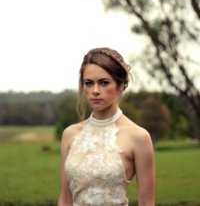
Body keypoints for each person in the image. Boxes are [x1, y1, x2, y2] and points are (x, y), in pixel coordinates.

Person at [57, 47, 155, 206]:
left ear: (121, 85)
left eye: (104, 82)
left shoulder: (138, 137)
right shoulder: (70, 134)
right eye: (88, 83)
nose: (95, 91)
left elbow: (147, 203)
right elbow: (64, 199)